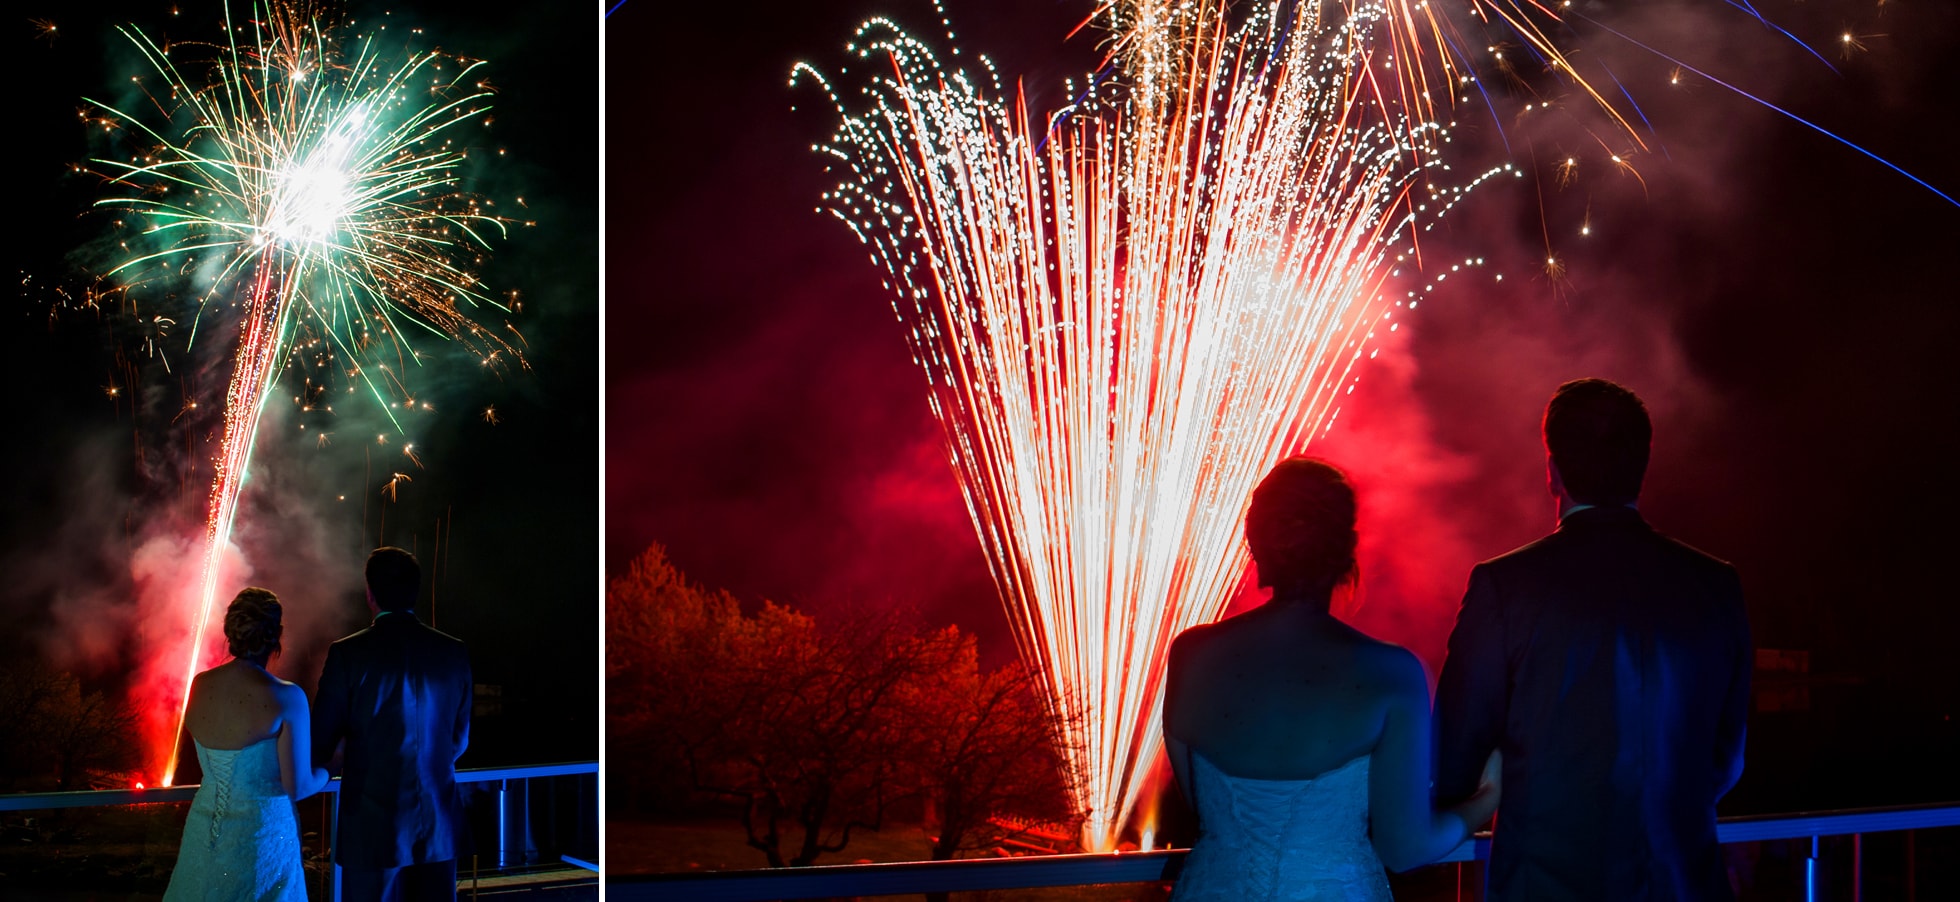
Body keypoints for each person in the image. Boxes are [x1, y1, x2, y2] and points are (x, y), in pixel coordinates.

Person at [1434, 378, 1752, 901]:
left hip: (1546, 885)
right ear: (1643, 467)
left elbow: (1452, 758)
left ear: (1552, 471)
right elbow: (1727, 760)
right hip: (1681, 882)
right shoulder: (1715, 584)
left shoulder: (1505, 586)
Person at [1164, 458, 1500, 901]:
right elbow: (1404, 849)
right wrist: (1489, 795)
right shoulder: (1390, 673)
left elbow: (1201, 806)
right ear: (1345, 551)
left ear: (1256, 545)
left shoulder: (1190, 655)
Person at [314, 547, 473, 901]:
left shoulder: (348, 653)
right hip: (439, 825)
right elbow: (459, 741)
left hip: (373, 827)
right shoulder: (452, 650)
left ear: (370, 594)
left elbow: (321, 742)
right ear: (416, 591)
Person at [163, 587, 330, 901]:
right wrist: (331, 767)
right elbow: (298, 786)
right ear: (277, 636)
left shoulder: (200, 686)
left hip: (203, 834)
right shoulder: (286, 696)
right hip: (262, 837)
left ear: (231, 632)